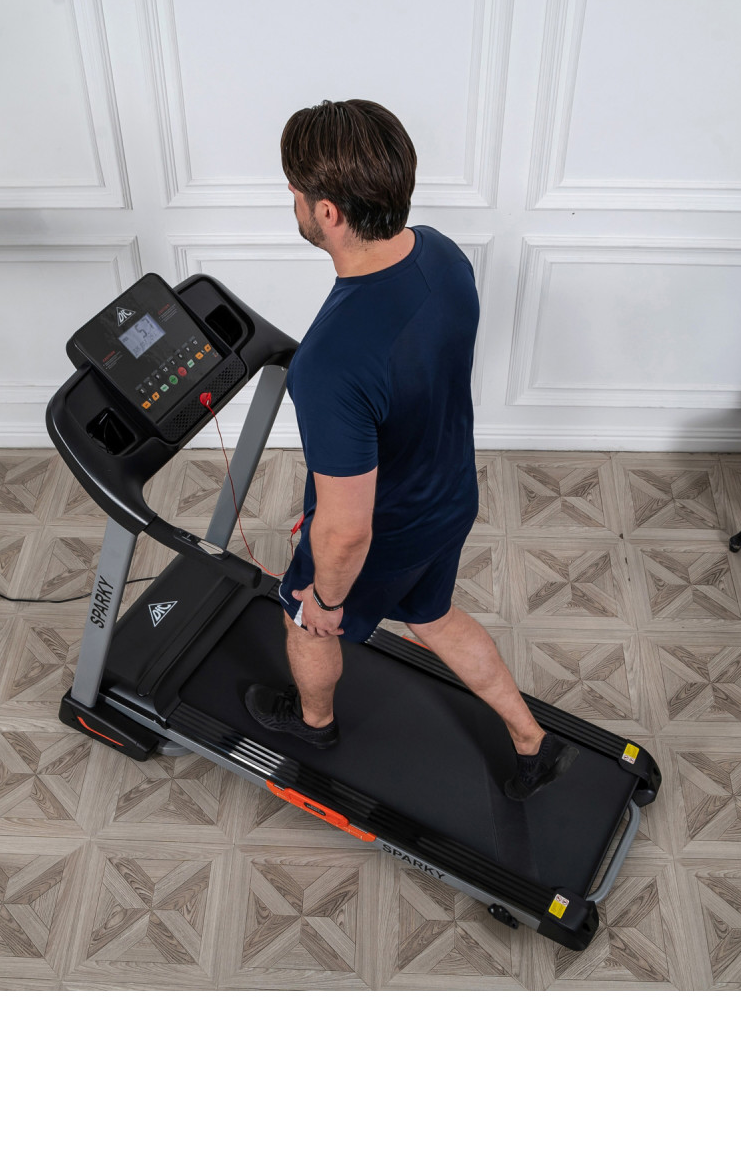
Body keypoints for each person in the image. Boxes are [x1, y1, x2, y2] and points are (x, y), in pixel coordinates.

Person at [244, 99, 577, 800]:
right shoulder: (440, 253)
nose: (293, 203)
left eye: (295, 192)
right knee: (430, 615)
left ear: (327, 211)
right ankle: (531, 740)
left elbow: (346, 530)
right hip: (449, 498)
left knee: (306, 623)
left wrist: (324, 599)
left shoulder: (331, 363)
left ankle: (313, 725)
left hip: (386, 531)